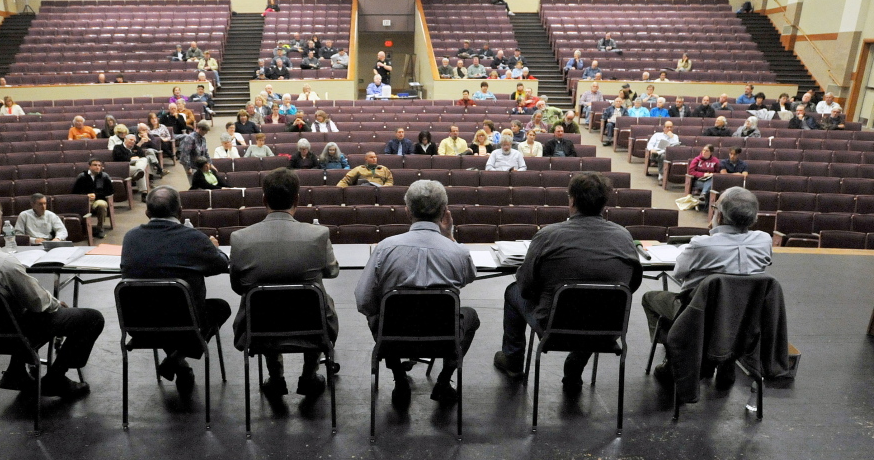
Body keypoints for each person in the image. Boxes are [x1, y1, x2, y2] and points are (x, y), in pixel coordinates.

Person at [493, 173, 642, 394]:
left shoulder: (547, 236)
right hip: (607, 330)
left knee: (512, 291)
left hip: (554, 328)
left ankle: (513, 360)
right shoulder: (624, 237)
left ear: (571, 200)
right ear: (604, 203)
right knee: (596, 308)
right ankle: (575, 367)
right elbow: (632, 285)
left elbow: (525, 288)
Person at [0, 193, 104, 397]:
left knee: (12, 308)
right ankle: (55, 379)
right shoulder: (3, 263)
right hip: (12, 333)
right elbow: (39, 302)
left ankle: (16, 372)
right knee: (90, 318)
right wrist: (57, 304)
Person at [355, 179, 478, 404]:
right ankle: (443, 380)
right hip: (444, 338)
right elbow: (468, 276)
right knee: (471, 316)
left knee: (378, 314)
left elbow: (363, 301)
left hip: (393, 337)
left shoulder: (385, 248)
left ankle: (399, 379)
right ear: (444, 212)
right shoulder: (458, 252)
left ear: (407, 210)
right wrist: (449, 237)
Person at [642, 186, 772, 386]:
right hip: (744, 319)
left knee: (650, 298)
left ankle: (674, 361)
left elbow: (678, 273)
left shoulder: (702, 245)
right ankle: (726, 360)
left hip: (698, 317)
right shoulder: (764, 240)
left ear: (719, 216)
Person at [229, 168, 338, 398]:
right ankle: (309, 374)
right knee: (318, 299)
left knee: (263, 301)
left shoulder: (240, 238)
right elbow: (332, 271)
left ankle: (276, 377)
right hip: (312, 327)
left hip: (259, 329)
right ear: (297, 199)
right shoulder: (318, 235)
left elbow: (238, 287)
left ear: (264, 199)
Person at [121, 186, 231, 394]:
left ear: (147, 213)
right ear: (180, 212)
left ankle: (180, 366)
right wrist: (214, 248)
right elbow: (221, 264)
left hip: (139, 324)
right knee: (219, 308)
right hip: (185, 323)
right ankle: (177, 358)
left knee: (162, 306)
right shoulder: (194, 238)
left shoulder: (130, 238)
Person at [112, 133, 151, 201]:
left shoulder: (136, 148)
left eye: (134, 141)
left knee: (144, 160)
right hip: (125, 168)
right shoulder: (118, 147)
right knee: (141, 171)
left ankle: (138, 171)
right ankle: (144, 194)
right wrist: (131, 159)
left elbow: (142, 156)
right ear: (125, 139)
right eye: (131, 140)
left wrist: (137, 159)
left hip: (136, 167)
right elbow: (118, 158)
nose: (133, 142)